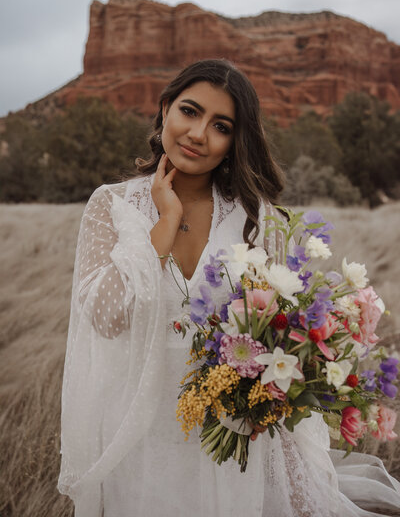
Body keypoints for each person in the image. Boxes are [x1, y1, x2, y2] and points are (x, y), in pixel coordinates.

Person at [58, 59, 400, 517]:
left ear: (235, 141)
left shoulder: (261, 221)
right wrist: (166, 222)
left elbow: (284, 340)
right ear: (164, 110)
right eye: (189, 111)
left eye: (220, 126)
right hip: (140, 440)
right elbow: (106, 317)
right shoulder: (111, 205)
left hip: (235, 441)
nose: (198, 134)